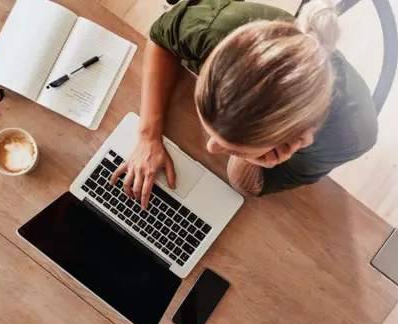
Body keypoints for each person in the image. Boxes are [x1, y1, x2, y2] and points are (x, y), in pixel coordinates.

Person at [110, 0, 378, 209]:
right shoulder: (217, 29)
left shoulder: (348, 138)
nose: (211, 147)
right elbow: (162, 38)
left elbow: (246, 185)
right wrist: (147, 136)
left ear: (296, 140)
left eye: (232, 146)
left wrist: (255, 163)